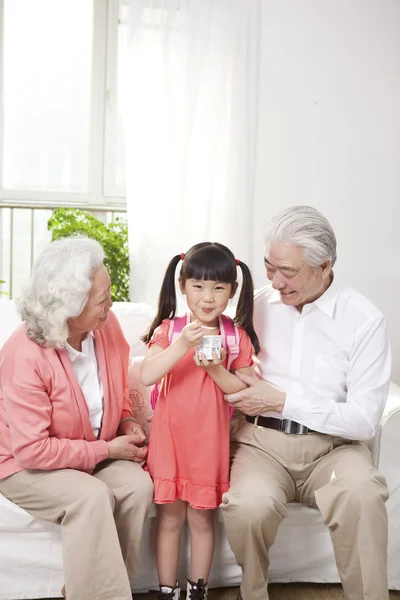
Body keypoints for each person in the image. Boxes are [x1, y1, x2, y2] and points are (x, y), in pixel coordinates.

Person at [221, 205, 392, 600]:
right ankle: (252, 594)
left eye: (288, 271)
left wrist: (282, 401)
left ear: (324, 266)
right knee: (248, 506)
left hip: (333, 449)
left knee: (362, 495)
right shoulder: (254, 305)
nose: (276, 281)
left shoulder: (363, 320)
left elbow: (364, 420)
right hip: (261, 446)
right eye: (268, 266)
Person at [0, 236, 153, 600]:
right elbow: (33, 450)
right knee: (91, 497)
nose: (111, 303)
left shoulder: (107, 326)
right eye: (102, 298)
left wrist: (126, 421)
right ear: (69, 307)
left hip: (92, 450)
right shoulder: (25, 355)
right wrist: (106, 449)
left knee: (137, 486)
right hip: (23, 466)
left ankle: (89, 589)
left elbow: (115, 389)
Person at [140, 242, 260, 600]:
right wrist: (182, 345)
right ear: (182, 286)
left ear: (233, 291)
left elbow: (241, 392)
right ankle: (166, 590)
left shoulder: (235, 336)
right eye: (198, 286)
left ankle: (197, 591)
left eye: (218, 288)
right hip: (169, 441)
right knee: (170, 519)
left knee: (202, 519)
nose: (208, 297)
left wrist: (216, 369)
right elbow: (148, 375)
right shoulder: (170, 329)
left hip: (209, 443)